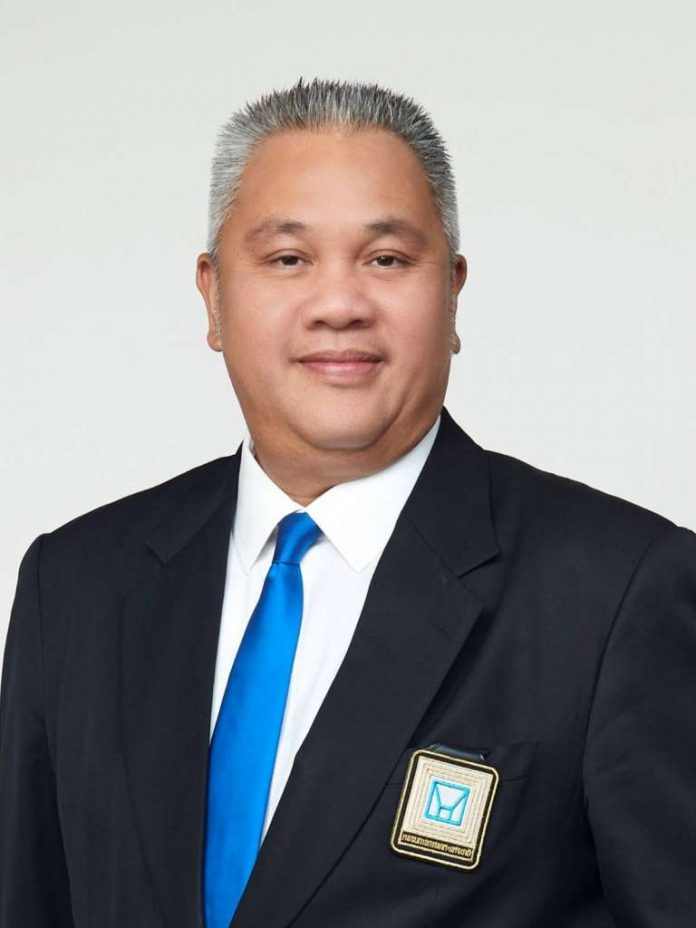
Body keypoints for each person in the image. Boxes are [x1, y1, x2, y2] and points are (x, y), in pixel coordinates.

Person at [1, 77, 695, 928]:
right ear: (213, 296)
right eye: (288, 259)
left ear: (453, 293)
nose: (339, 306)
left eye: (387, 259)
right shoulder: (75, 585)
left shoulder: (617, 592)